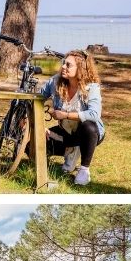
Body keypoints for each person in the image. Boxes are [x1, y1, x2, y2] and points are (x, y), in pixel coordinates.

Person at [41, 50, 105, 186]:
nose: (63, 67)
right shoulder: (55, 81)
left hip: (88, 134)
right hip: (66, 132)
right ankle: (70, 151)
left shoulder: (91, 87)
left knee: (89, 125)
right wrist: (40, 127)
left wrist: (65, 115)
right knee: (31, 146)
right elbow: (37, 99)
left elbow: (94, 114)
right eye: (64, 63)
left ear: (80, 69)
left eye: (68, 65)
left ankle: (84, 170)